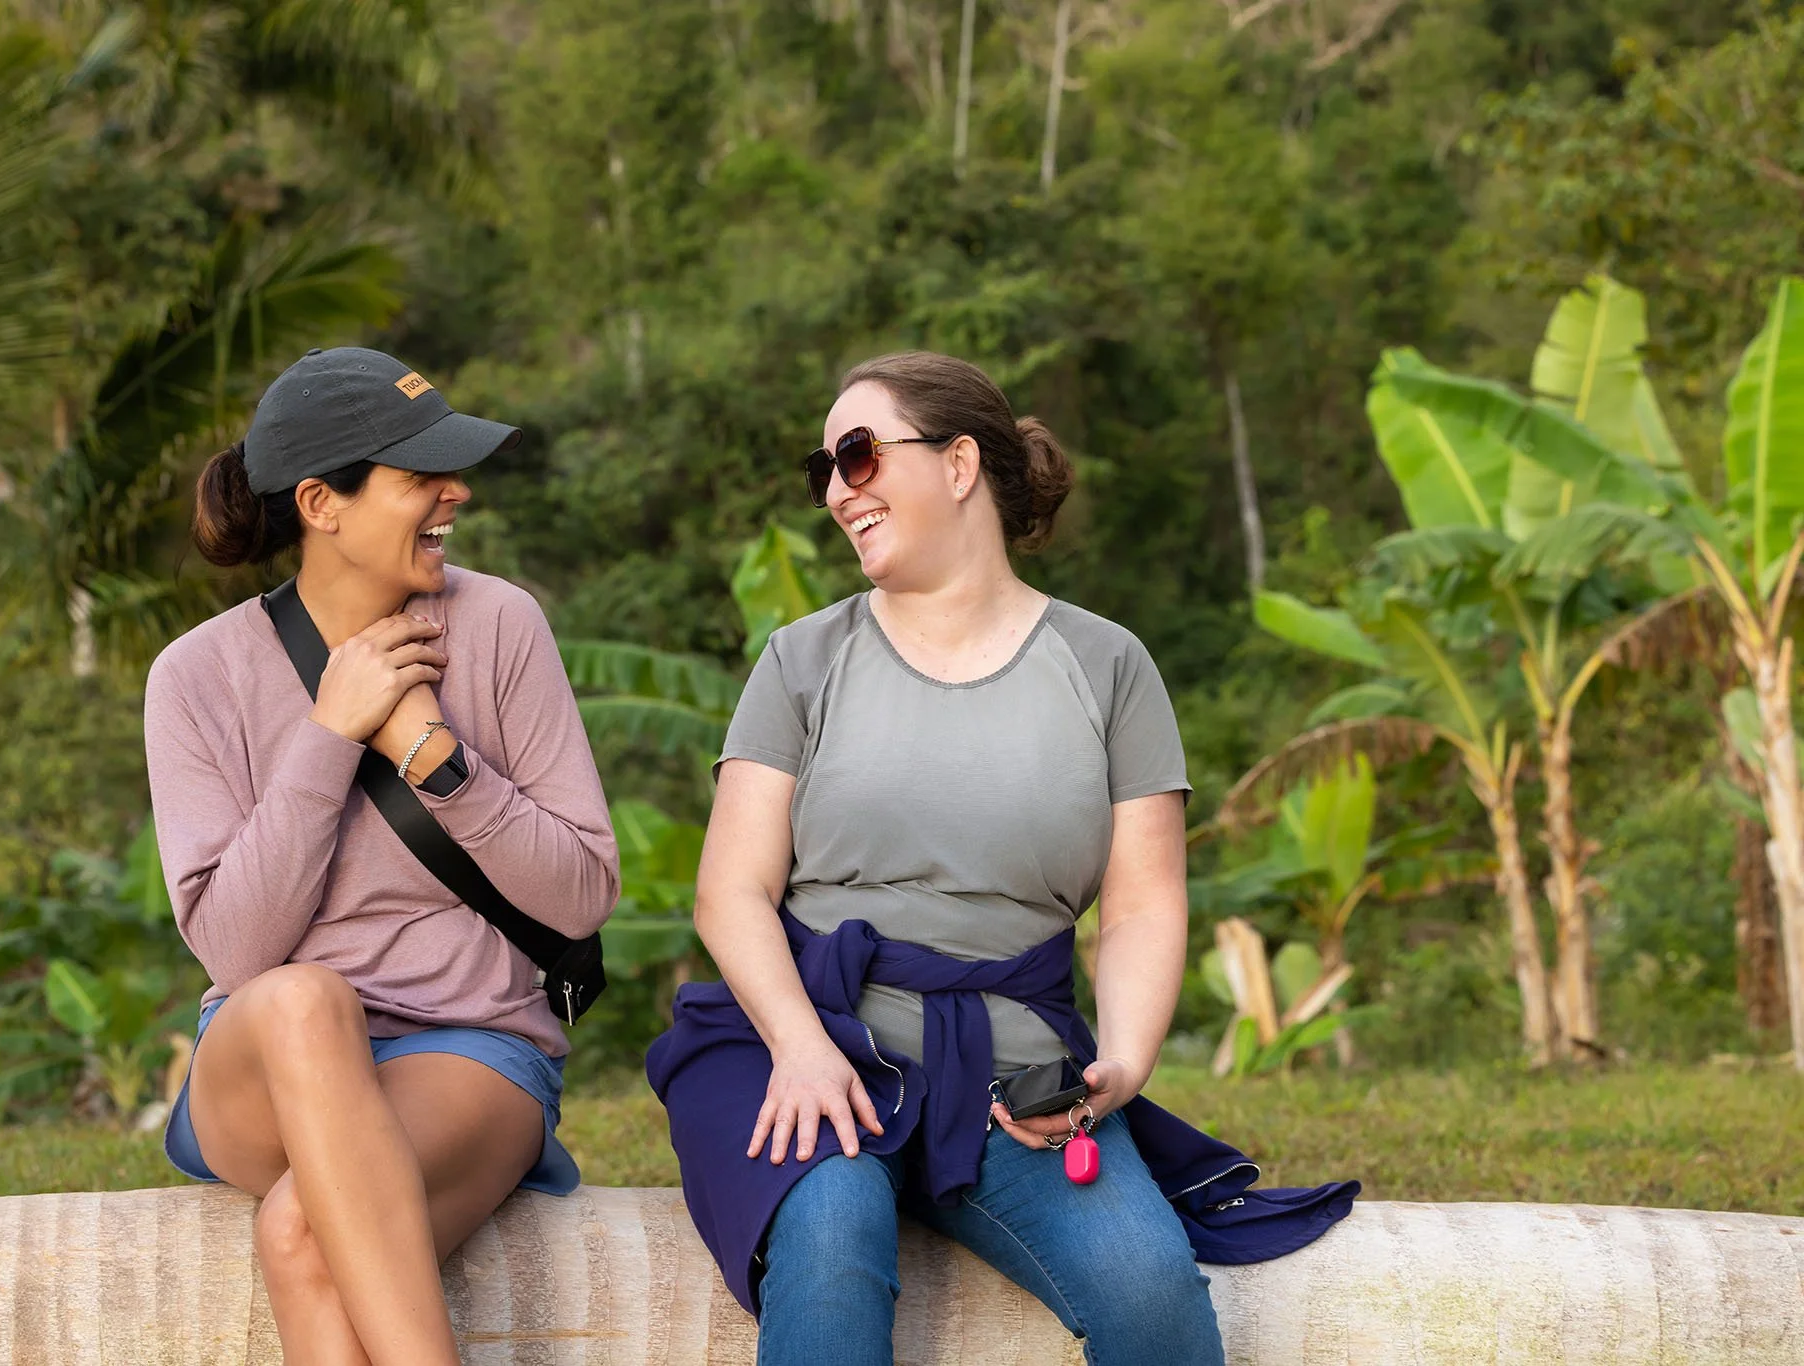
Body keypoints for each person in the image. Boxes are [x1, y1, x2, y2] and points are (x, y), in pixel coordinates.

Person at [647, 352, 1355, 1365]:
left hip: (1013, 1079)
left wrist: (1125, 1060)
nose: (838, 489)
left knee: (1148, 1291)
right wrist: (801, 1047)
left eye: (857, 454)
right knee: (831, 1228)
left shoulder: (1107, 665)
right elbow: (730, 890)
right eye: (823, 469)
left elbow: (1143, 904)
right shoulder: (801, 659)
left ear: (958, 461)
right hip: (802, 1042)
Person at [144, 347, 618, 1366]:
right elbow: (235, 953)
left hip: (470, 1047)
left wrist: (432, 756)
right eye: (419, 475)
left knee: (300, 1235)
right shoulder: (195, 677)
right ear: (321, 503)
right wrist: (328, 735)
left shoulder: (497, 627)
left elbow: (579, 898)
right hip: (265, 1062)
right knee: (307, 998)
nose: (456, 493)